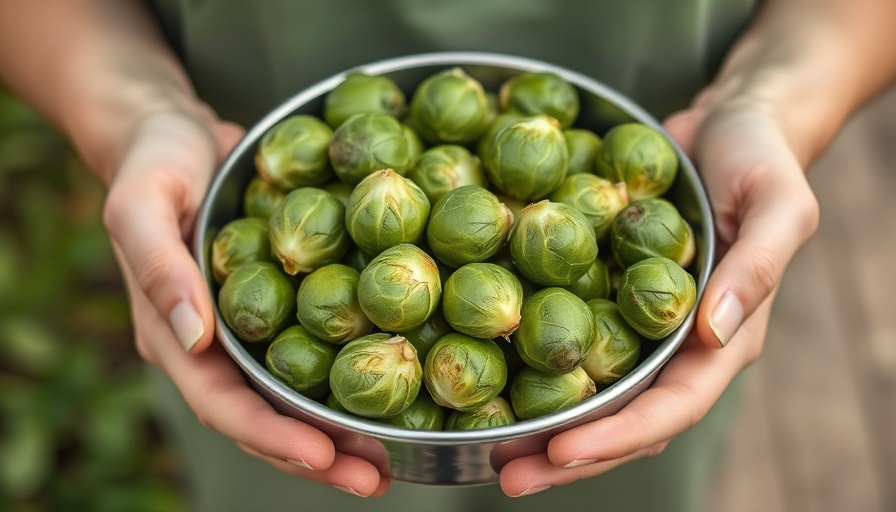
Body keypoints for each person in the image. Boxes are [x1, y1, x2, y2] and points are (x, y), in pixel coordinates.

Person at [1, 0, 894, 510]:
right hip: (290, 408)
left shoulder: (568, 280)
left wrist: (772, 97)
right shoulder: (312, 256)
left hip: (631, 397)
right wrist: (131, 112)